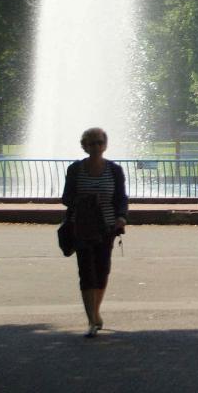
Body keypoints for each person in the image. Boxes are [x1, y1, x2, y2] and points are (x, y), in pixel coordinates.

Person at [62, 127, 128, 338]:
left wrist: (121, 217)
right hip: (81, 225)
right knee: (86, 270)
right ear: (84, 146)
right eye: (91, 143)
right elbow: (66, 198)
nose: (96, 147)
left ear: (105, 145)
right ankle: (91, 319)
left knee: (102, 270)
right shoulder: (75, 169)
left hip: (106, 227)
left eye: (99, 142)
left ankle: (96, 310)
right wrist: (87, 201)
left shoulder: (114, 170)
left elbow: (121, 197)